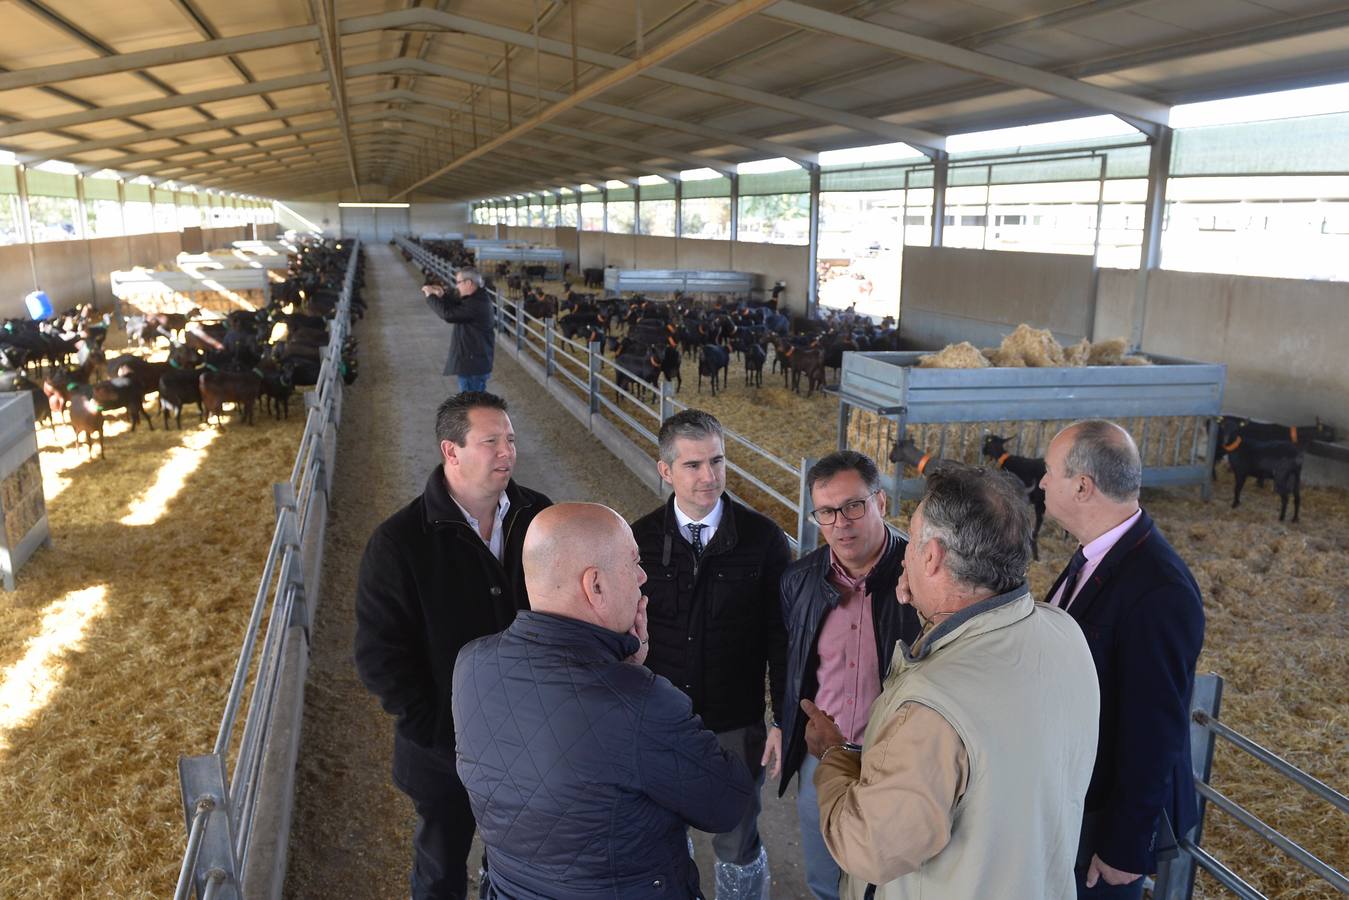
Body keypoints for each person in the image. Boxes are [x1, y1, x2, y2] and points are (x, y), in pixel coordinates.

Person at [804, 464, 1100, 900]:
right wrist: (930, 607)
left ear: (933, 556)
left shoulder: (932, 704)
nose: (904, 554)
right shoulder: (1063, 632)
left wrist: (833, 757)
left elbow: (868, 848)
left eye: (914, 540)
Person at [453, 503, 754, 899]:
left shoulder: (472, 663)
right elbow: (727, 804)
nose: (643, 577)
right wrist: (633, 679)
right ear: (594, 586)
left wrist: (617, 666)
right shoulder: (639, 703)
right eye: (634, 562)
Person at [354, 391, 552, 900]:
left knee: (522, 864)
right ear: (452, 450)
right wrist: (441, 732)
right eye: (491, 441)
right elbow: (381, 659)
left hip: (533, 739)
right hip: (445, 753)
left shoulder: (541, 517)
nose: (507, 451)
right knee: (441, 868)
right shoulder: (399, 543)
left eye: (510, 439)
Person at [1039, 420, 1206, 899]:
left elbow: (1156, 731)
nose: (1044, 482)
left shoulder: (1159, 590)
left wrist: (1124, 848)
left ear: (1083, 486)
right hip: (1069, 803)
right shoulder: (1096, 557)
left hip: (1101, 832)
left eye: (1050, 472)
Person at [630, 410, 791, 898]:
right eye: (693, 465)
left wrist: (783, 718)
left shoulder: (763, 541)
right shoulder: (637, 539)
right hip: (660, 721)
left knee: (738, 837)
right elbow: (624, 632)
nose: (709, 476)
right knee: (660, 837)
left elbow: (780, 637)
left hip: (734, 725)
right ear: (665, 471)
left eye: (717, 461)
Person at [778, 450, 922, 900]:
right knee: (824, 881)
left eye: (853, 506)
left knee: (894, 883)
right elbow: (794, 659)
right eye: (826, 512)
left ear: (880, 501)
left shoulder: (922, 579)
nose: (841, 523)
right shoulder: (799, 581)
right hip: (821, 758)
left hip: (898, 764)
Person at [422, 266, 494, 392]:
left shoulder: (476, 304)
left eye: (458, 282)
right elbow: (457, 305)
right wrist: (442, 295)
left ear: (469, 283)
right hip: (474, 363)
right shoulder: (477, 298)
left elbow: (448, 315)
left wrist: (430, 297)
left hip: (472, 366)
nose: (457, 286)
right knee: (475, 403)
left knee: (470, 405)